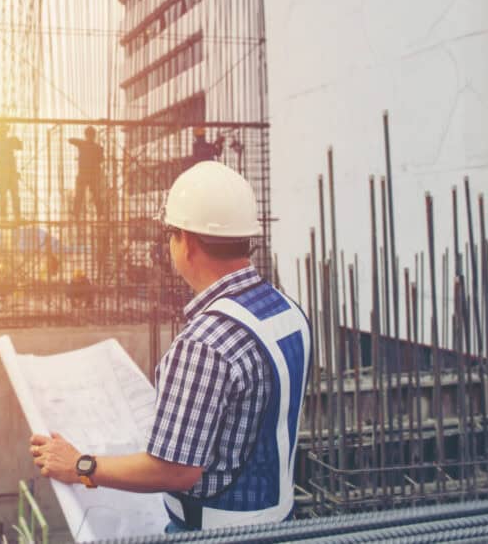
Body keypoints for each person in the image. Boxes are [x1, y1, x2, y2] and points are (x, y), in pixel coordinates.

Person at [30, 161, 311, 532]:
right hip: (281, 523)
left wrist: (82, 466)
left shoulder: (204, 344)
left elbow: (175, 470)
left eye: (171, 234)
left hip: (213, 533)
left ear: (187, 242)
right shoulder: (287, 310)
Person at [68, 126, 105, 219]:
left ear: (85, 135)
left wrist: (83, 142)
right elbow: (101, 160)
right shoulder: (98, 147)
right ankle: (100, 214)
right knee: (96, 195)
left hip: (83, 174)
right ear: (95, 135)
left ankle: (76, 214)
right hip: (93, 174)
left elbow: (70, 140)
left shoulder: (82, 144)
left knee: (79, 195)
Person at [0, 124, 22, 221]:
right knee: (9, 195)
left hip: (6, 172)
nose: (2, 134)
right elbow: (20, 146)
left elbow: (20, 146)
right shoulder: (4, 142)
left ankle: (6, 216)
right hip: (6, 172)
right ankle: (9, 216)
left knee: (8, 195)